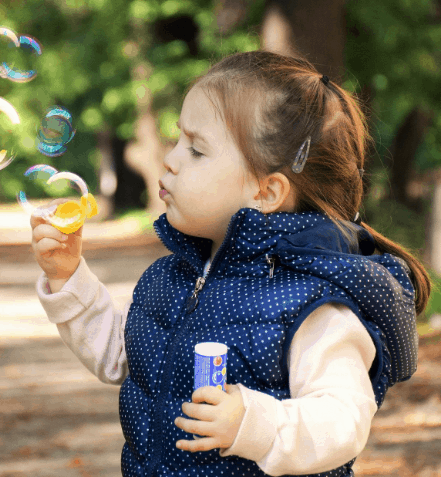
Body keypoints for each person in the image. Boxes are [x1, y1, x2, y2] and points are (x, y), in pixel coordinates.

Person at [30, 50, 430, 477]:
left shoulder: (311, 302)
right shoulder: (172, 277)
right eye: (178, 139)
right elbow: (125, 357)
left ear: (266, 191)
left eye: (197, 150)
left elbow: (343, 419)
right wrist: (68, 277)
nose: (171, 158)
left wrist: (252, 422)